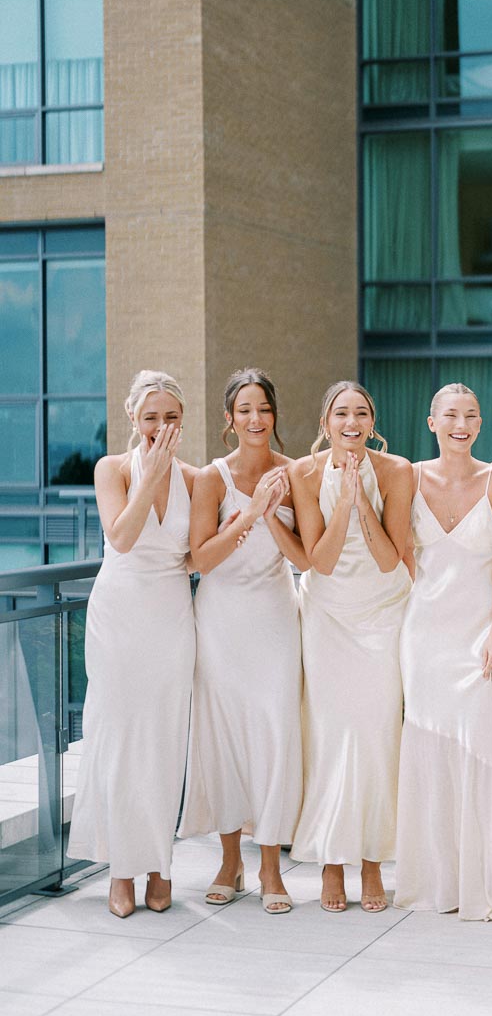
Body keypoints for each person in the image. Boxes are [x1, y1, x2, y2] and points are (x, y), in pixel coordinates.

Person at [68, 370, 198, 918]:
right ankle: (120, 870)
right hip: (119, 614)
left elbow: (196, 554)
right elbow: (120, 537)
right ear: (132, 418)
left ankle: (160, 867)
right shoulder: (112, 469)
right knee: (118, 738)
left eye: (171, 418)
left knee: (164, 740)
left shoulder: (198, 477)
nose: (161, 428)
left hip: (171, 615)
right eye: (151, 418)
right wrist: (151, 473)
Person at [394, 384, 492, 921]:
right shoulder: (409, 478)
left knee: (480, 749)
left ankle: (481, 885)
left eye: (471, 415)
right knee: (429, 755)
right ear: (431, 422)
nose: (461, 423)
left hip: (480, 638)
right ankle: (435, 883)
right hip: (424, 639)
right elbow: (400, 551)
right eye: (450, 414)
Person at [178, 368, 305, 915]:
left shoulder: (295, 473)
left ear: (274, 417)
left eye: (264, 409)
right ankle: (229, 861)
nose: (256, 419)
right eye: (245, 410)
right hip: (222, 622)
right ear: (229, 420)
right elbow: (199, 559)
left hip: (276, 618)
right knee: (224, 738)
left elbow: (305, 558)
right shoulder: (211, 478)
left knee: (276, 735)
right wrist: (251, 512)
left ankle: (271, 865)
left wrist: (272, 516)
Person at [289, 381, 412, 913]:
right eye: (341, 413)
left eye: (362, 412)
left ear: (372, 421)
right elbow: (320, 558)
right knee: (331, 736)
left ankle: (373, 864)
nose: (352, 422)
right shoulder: (304, 473)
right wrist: (342, 498)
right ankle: (332, 864)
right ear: (326, 422)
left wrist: (363, 496)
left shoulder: (398, 471)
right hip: (328, 615)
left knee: (378, 735)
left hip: (385, 613)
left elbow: (391, 560)